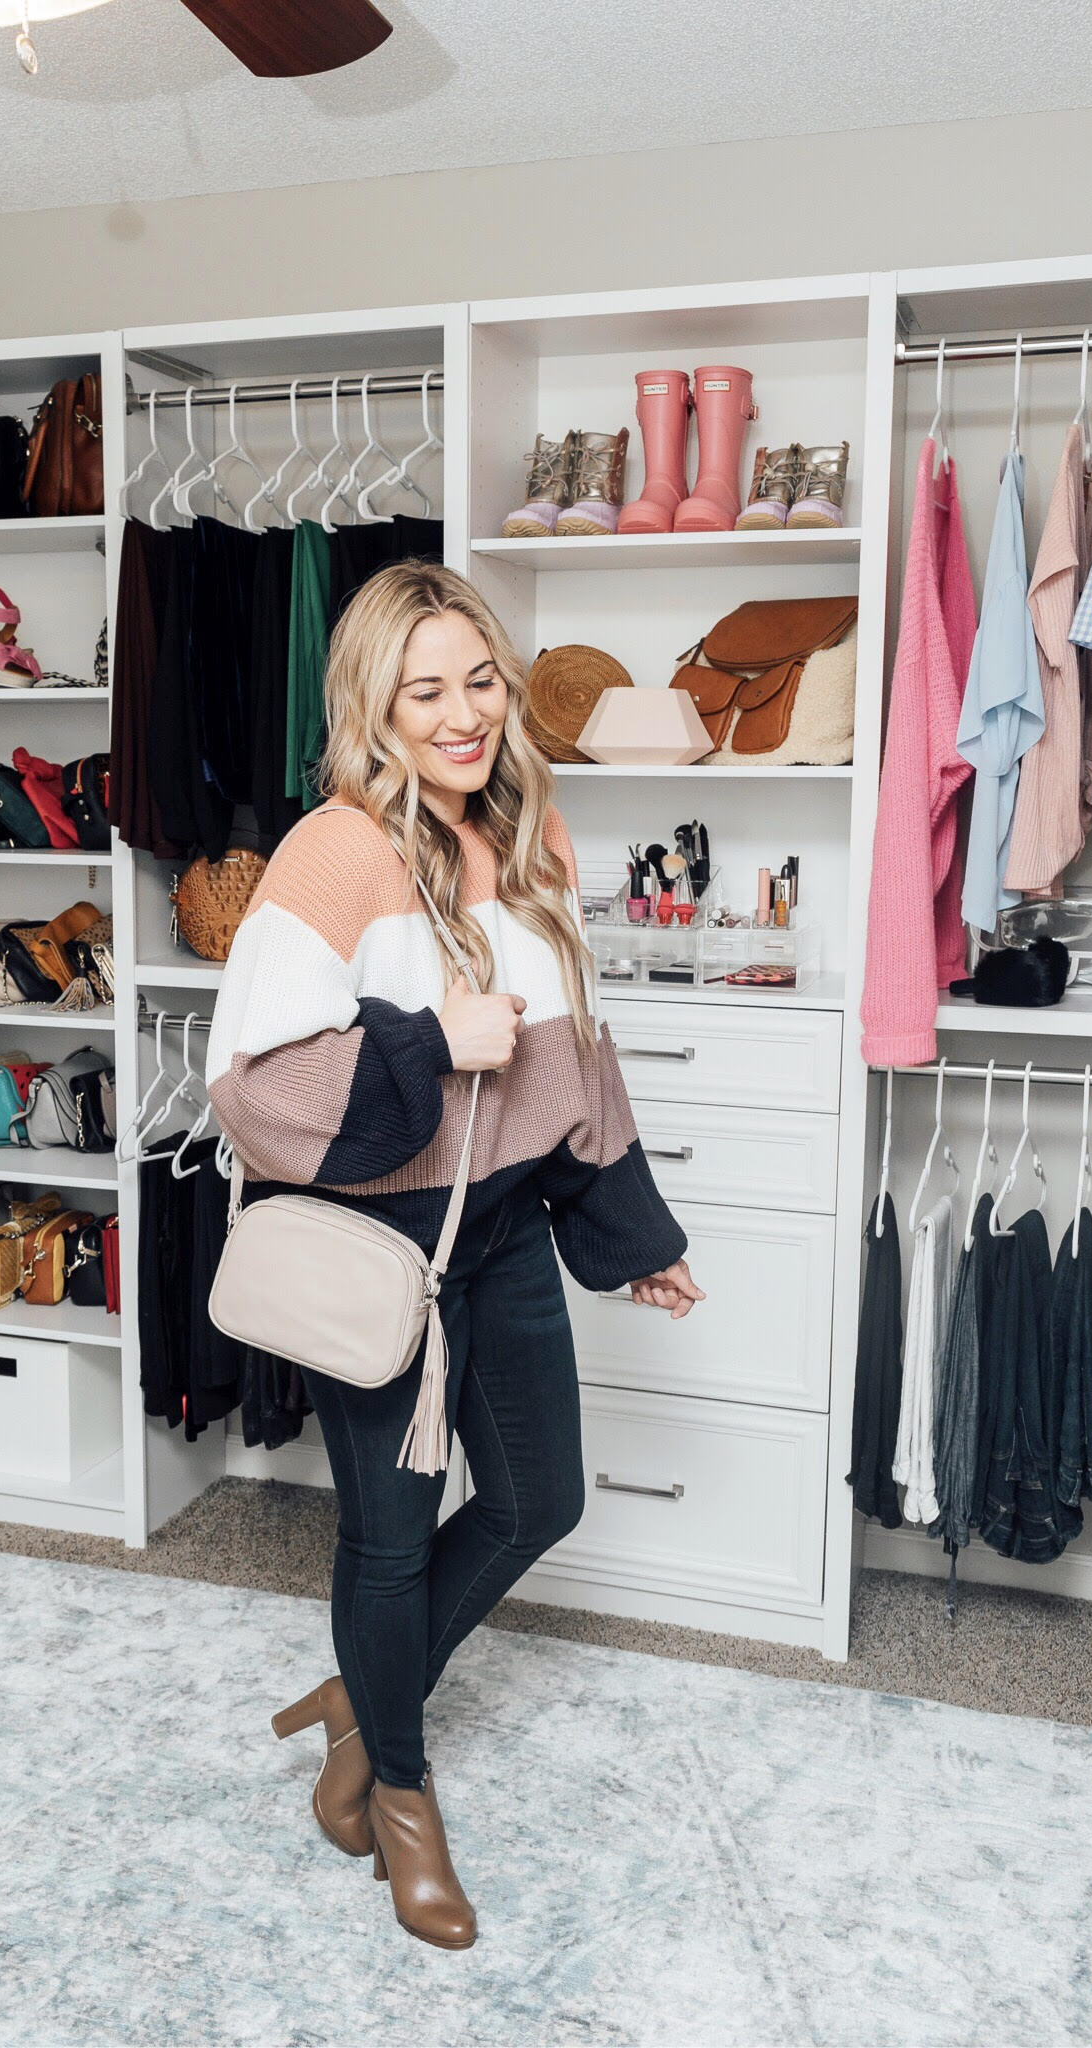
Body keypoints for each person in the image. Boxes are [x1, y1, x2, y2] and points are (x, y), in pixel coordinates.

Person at [205, 561, 701, 1950]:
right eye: (424, 689)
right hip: (381, 1246)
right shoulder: (335, 851)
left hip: (498, 1239)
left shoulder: (532, 836)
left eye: (478, 679)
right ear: (374, 700)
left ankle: (366, 1693)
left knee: (541, 1501)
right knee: (387, 1534)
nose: (462, 713)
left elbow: (576, 1061)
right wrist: (432, 1047)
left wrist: (630, 1235)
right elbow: (251, 1083)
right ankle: (395, 1800)